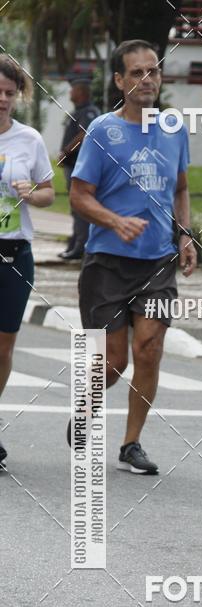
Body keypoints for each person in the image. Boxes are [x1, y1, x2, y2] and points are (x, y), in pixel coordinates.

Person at [69, 39, 196, 474]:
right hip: (107, 262)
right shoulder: (104, 131)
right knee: (115, 360)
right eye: (137, 73)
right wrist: (113, 221)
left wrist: (185, 235)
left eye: (154, 71)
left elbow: (180, 188)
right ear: (120, 81)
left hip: (157, 261)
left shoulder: (175, 128)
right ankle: (85, 409)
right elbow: (79, 195)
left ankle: (131, 443)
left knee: (149, 349)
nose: (147, 79)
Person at [0, 55, 55, 467]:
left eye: (9, 93)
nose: (2, 100)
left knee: (4, 347)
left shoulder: (29, 139)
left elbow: (48, 194)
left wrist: (28, 192)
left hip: (15, 252)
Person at [58, 77, 100, 260]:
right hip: (72, 167)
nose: (70, 93)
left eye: (73, 89)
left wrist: (66, 152)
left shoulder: (88, 112)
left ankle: (80, 247)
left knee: (80, 207)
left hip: (79, 167)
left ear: (81, 92)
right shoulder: (78, 111)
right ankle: (75, 243)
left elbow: (84, 134)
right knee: (75, 208)